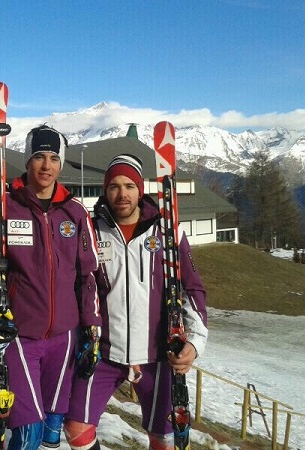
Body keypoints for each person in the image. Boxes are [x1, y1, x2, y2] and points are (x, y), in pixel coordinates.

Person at [63, 154, 208, 450]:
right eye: (114, 186)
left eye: (129, 185)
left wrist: (194, 342)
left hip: (156, 355)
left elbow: (191, 289)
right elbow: (76, 285)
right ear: (105, 190)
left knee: (164, 439)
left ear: (140, 190)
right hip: (103, 353)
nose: (122, 193)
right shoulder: (91, 231)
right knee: (76, 429)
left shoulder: (167, 231)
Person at [0, 125, 101, 450]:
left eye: (54, 158)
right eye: (39, 157)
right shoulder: (0, 208)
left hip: (64, 339)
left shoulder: (75, 213)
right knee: (27, 433)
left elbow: (88, 276)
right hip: (17, 336)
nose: (46, 165)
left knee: (51, 432)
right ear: (28, 161)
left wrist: (92, 327)